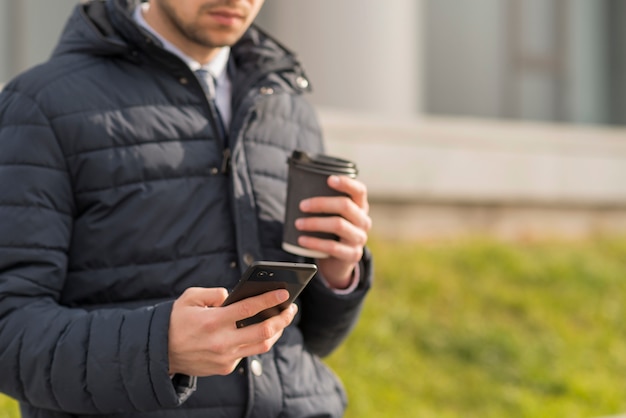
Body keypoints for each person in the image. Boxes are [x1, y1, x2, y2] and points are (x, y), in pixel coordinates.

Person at [0, 0, 373, 417]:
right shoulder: (40, 105)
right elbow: (9, 330)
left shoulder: (288, 106)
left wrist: (337, 276)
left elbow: (307, 340)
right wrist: (160, 348)